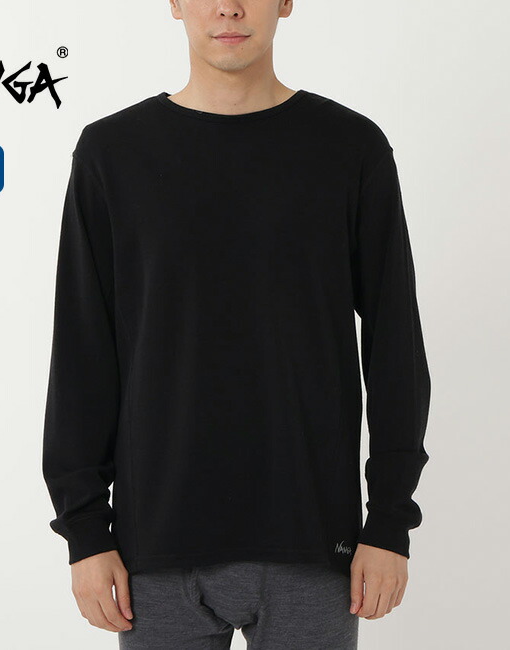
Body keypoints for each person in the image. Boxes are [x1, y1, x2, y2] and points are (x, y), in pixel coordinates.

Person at [42, 1, 431, 647]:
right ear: (174, 3)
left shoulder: (350, 148)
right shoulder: (112, 153)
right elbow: (83, 352)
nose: (228, 6)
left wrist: (390, 521)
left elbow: (395, 347)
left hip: (312, 542)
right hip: (154, 552)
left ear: (286, 2)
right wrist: (84, 531)